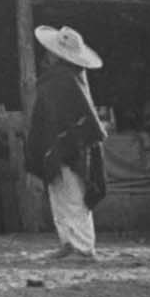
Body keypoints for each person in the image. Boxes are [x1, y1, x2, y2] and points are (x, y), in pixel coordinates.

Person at [26, 25, 107, 263]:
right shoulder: (70, 77)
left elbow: (68, 119)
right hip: (70, 145)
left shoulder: (62, 79)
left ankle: (82, 247)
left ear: (55, 54)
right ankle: (69, 243)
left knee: (72, 196)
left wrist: (58, 144)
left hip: (71, 148)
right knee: (62, 195)